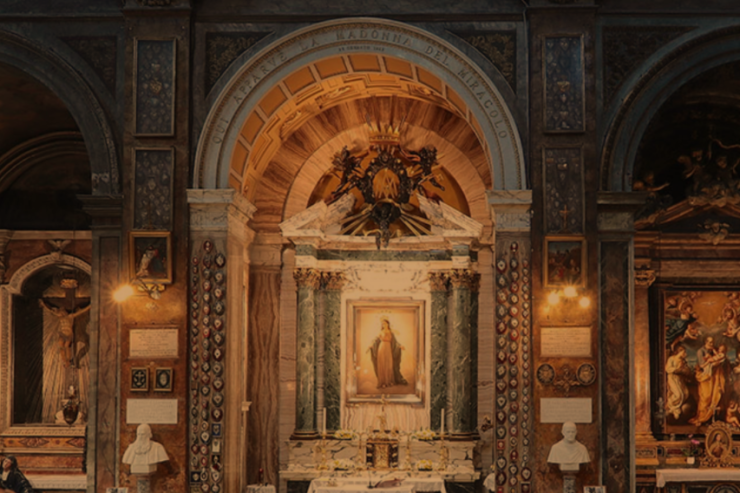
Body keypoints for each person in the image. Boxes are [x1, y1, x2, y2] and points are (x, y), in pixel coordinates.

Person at [38, 299, 91, 368]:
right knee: (60, 344)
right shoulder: (60, 317)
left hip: (69, 334)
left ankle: (68, 361)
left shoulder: (70, 316)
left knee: (66, 345)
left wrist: (90, 306)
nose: (60, 312)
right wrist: (44, 305)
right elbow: (50, 310)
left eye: (62, 311)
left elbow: (81, 312)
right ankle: (65, 361)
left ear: (65, 312)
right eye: (60, 311)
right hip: (63, 334)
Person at [690, 338, 729, 426]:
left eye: (713, 342)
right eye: (710, 342)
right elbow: (702, 366)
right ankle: (701, 417)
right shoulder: (700, 351)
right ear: (706, 342)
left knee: (713, 397)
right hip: (705, 377)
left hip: (714, 377)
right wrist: (710, 362)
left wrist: (713, 361)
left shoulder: (714, 351)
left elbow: (719, 361)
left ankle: (708, 418)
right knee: (705, 397)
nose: (712, 344)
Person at [367, 316, 407, 389]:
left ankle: (389, 381)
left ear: (388, 324)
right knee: (382, 365)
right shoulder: (380, 332)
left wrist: (400, 346)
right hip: (381, 348)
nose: (383, 325)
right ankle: (383, 382)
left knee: (389, 365)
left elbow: (395, 342)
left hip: (388, 349)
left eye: (385, 323)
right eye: (382, 324)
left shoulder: (391, 332)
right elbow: (375, 340)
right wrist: (371, 345)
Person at [665, 346, 692, 420]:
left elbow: (686, 371)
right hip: (672, 378)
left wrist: (685, 370)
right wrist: (678, 369)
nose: (685, 354)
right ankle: (672, 407)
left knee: (686, 393)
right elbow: (667, 369)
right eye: (684, 352)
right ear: (680, 351)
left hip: (680, 379)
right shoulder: (672, 358)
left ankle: (677, 407)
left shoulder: (683, 361)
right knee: (678, 395)